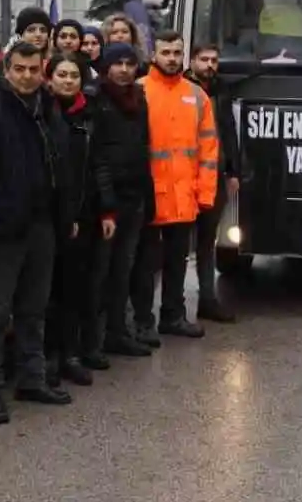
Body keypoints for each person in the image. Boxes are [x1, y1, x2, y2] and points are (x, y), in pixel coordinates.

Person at [0, 41, 73, 425]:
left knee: (33, 309)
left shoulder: (47, 107)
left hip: (42, 225)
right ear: (7, 70)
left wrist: (65, 214)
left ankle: (31, 378)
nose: (26, 76)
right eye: (19, 69)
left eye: (33, 69)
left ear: (43, 70)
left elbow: (60, 164)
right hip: (2, 228)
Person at [135, 30, 218, 340]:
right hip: (148, 196)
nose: (171, 58)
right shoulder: (138, 90)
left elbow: (209, 149)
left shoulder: (197, 96)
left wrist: (205, 194)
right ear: (154, 54)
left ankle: (173, 316)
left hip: (183, 198)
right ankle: (143, 322)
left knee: (177, 264)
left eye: (176, 52)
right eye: (165, 52)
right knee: (144, 266)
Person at [43, 52, 115, 386]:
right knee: (44, 292)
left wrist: (107, 209)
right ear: (50, 78)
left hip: (82, 215)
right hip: (45, 216)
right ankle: (46, 358)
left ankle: (69, 354)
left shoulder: (90, 116)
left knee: (75, 288)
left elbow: (100, 163)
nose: (68, 80)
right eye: (62, 74)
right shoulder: (40, 112)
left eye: (74, 75)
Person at [94, 41, 157, 356]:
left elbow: (143, 149)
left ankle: (117, 332)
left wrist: (148, 197)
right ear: (107, 67)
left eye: (129, 63)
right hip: (109, 203)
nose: (123, 69)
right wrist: (106, 203)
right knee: (101, 273)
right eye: (117, 63)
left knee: (123, 270)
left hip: (135, 198)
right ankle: (93, 339)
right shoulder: (97, 98)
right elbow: (98, 157)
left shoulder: (139, 99)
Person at [186, 42, 241, 323]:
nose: (210, 65)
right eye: (204, 59)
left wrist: (233, 171)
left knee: (207, 242)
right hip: (182, 178)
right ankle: (170, 306)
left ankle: (207, 300)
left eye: (214, 60)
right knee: (176, 245)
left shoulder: (221, 90)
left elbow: (228, 132)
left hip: (214, 177)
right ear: (192, 61)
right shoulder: (181, 88)